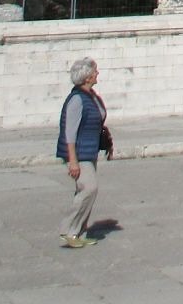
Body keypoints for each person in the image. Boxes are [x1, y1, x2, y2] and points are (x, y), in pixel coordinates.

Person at [56, 57, 111, 248]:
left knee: (84, 189)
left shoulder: (91, 96)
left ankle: (79, 232)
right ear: (87, 76)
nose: (97, 73)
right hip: (78, 153)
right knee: (89, 188)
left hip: (90, 150)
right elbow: (69, 131)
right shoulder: (77, 99)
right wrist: (73, 160)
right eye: (95, 71)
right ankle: (68, 230)